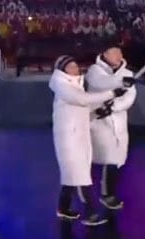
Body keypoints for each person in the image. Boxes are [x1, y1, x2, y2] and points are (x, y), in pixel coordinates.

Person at [49, 55, 126, 226]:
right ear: (63, 70)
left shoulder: (74, 86)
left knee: (71, 176)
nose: (76, 69)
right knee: (80, 175)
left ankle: (63, 209)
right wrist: (111, 93)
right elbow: (82, 99)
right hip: (69, 139)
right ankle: (90, 212)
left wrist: (102, 107)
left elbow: (85, 105)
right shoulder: (63, 86)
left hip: (78, 137)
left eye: (76, 66)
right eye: (71, 67)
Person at [86, 47, 137, 210]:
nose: (119, 56)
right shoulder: (95, 71)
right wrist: (120, 83)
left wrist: (114, 106)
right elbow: (101, 83)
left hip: (118, 121)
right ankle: (82, 192)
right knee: (94, 159)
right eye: (114, 53)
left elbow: (130, 96)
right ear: (105, 54)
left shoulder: (127, 74)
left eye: (120, 53)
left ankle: (108, 194)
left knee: (115, 160)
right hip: (98, 120)